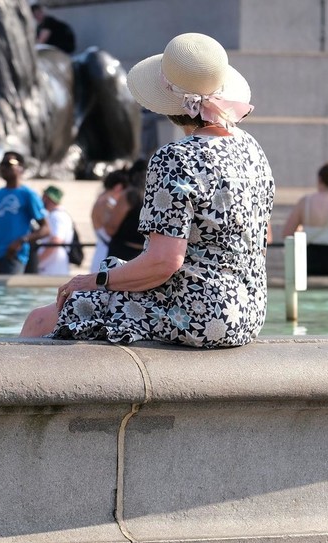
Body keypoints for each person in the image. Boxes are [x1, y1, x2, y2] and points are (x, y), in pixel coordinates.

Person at [20, 32, 275, 348]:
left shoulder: (176, 157)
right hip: (249, 313)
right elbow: (263, 239)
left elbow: (164, 263)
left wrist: (93, 280)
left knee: (44, 317)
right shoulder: (252, 149)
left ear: (169, 103)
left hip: (200, 315)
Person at [0, 152, 50, 275]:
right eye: (2, 164)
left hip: (14, 256)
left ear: (21, 168)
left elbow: (46, 229)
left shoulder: (28, 195)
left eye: (9, 164)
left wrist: (22, 240)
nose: (4, 168)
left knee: (10, 293)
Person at [89, 169, 129, 271]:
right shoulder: (106, 203)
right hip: (106, 256)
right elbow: (111, 230)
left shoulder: (102, 201)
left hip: (103, 253)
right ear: (118, 187)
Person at [35, 185, 74, 275]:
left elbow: (56, 241)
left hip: (52, 268)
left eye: (44, 197)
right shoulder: (56, 215)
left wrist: (39, 261)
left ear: (49, 199)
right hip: (52, 266)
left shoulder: (57, 216)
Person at [103, 185, 147, 262]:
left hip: (123, 254)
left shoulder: (130, 194)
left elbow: (111, 228)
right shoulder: (159, 192)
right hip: (149, 254)